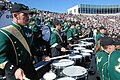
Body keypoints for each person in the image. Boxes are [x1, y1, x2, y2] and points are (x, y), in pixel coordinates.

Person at [0, 3, 39, 80]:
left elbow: (32, 48)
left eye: (28, 15)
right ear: (15, 16)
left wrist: (42, 54)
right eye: (25, 14)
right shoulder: (5, 33)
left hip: (29, 69)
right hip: (14, 72)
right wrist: (14, 69)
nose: (28, 17)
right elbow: (1, 56)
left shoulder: (29, 31)